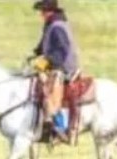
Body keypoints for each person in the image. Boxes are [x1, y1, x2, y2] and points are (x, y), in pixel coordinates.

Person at [30, 0, 79, 143]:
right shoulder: (50, 25)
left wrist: (45, 63)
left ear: (50, 11)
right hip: (54, 63)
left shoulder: (57, 26)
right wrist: (36, 55)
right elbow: (42, 47)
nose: (41, 15)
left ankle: (58, 125)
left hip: (63, 66)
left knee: (49, 88)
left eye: (43, 12)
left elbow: (62, 51)